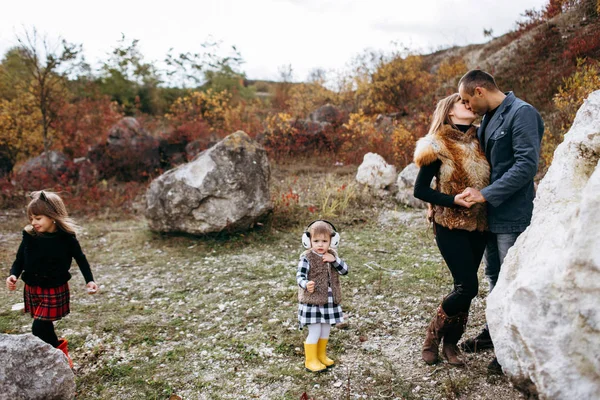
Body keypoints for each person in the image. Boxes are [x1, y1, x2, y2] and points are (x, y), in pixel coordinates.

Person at [457, 70, 544, 372]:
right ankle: (495, 333)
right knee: (494, 277)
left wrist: (485, 194)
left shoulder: (522, 113)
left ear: (479, 91)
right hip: (490, 216)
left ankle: (514, 347)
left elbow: (526, 165)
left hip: (513, 214)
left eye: (468, 100)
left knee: (513, 281)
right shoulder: (489, 118)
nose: (468, 107)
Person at [413, 93, 490, 366]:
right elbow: (420, 189)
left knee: (465, 289)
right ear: (450, 113)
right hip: (450, 224)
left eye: (470, 101)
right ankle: (432, 336)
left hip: (480, 225)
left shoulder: (483, 139)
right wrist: (452, 200)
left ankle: (451, 345)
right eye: (462, 102)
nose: (469, 104)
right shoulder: (436, 144)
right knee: (468, 285)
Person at [5, 190, 98, 368]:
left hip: (54, 288)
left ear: (52, 216)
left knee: (38, 327)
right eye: (31, 218)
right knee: (45, 326)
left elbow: (81, 259)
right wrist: (13, 275)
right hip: (33, 287)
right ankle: (58, 356)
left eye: (38, 218)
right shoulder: (30, 235)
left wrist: (90, 280)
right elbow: (19, 260)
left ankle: (56, 357)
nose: (33, 222)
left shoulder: (66, 238)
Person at [296, 220, 348, 372]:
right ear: (308, 241)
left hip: (329, 301)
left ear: (333, 241)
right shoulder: (307, 257)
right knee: (315, 330)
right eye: (316, 241)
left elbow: (345, 270)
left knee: (326, 329)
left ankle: (321, 355)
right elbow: (299, 276)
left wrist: (335, 261)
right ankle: (310, 360)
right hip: (312, 302)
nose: (320, 244)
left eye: (324, 241)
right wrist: (305, 284)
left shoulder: (332, 255)